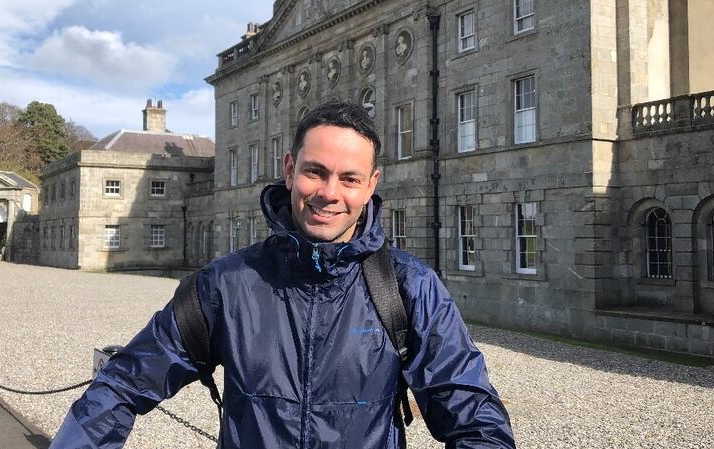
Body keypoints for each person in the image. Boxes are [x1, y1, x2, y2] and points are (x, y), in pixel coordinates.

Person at [50, 101, 516, 449]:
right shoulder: (227, 283)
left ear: (372, 185)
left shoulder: (408, 287)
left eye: (349, 178)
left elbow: (471, 412)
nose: (330, 193)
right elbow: (124, 382)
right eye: (315, 172)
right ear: (290, 170)